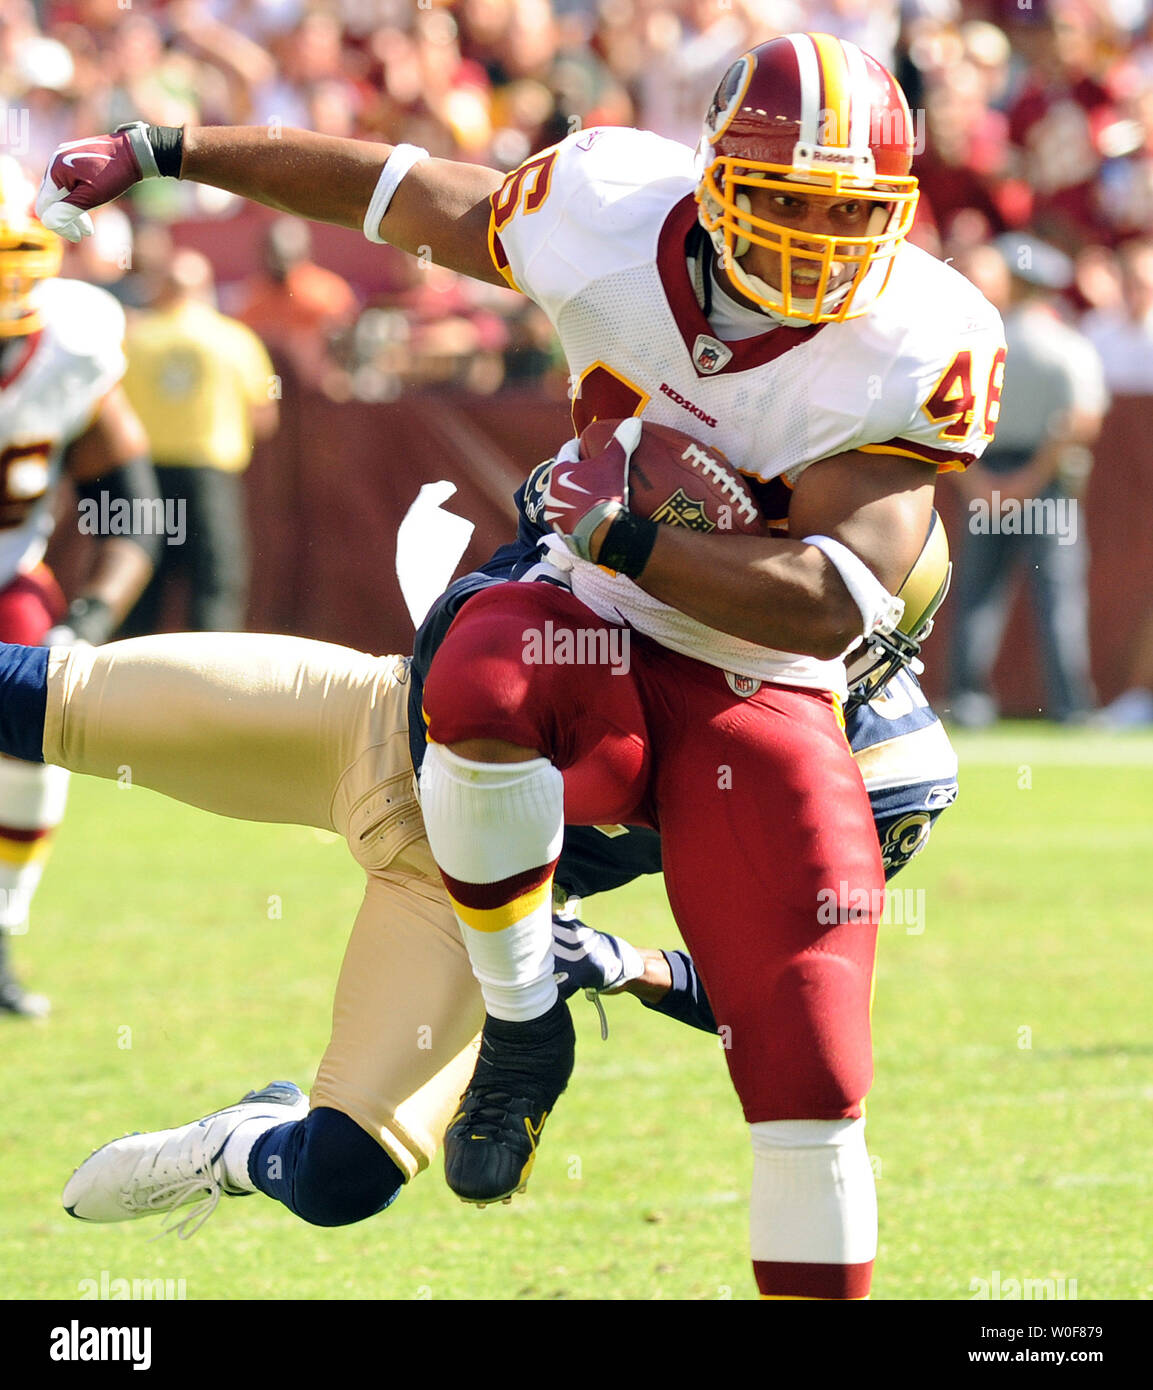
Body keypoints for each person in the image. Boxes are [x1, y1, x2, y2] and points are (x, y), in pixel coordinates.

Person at [37, 34, 1003, 1298]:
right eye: (787, 202)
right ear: (714, 183)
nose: (821, 239)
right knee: (461, 669)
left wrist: (619, 959)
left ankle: (279, 1124)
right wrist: (174, 148)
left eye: (850, 212)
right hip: (427, 738)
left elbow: (818, 615)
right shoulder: (604, 207)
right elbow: (399, 194)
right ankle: (522, 1019)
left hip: (511, 848)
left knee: (799, 1070)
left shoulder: (879, 733)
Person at [0, 505, 954, 1240]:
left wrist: (619, 962)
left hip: (474, 906)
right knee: (29, 700)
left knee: (339, 1180)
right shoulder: (655, 519)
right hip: (363, 729)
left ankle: (240, 1145)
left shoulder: (878, 765)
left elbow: (782, 993)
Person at [0, 157, 159, 1017]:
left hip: (7, 575)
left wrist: (90, 618)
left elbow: (130, 514)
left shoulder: (71, 343)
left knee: (41, 714)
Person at [948, 236, 1107, 727]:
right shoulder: (1068, 345)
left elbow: (952, 418)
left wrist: (978, 485)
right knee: (1057, 594)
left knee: (978, 593)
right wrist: (1033, 477)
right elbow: (1081, 420)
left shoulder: (981, 339)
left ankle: (968, 700)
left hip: (987, 472)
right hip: (1047, 482)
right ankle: (1069, 704)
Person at [118, 249, 279, 635]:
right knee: (215, 587)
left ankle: (128, 686)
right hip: (210, 480)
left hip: (145, 480)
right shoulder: (235, 339)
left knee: (140, 584)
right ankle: (210, 685)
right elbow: (264, 419)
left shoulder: (134, 339)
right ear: (204, 289)